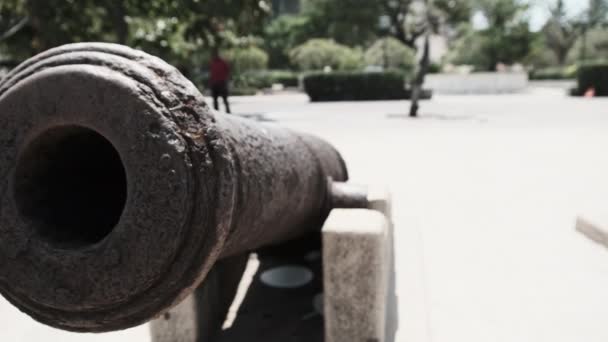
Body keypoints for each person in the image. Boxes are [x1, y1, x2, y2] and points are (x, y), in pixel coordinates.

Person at [209, 49, 231, 113]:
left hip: (222, 83)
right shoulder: (212, 63)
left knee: (225, 99)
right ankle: (216, 112)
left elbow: (227, 71)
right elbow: (211, 73)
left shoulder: (223, 62)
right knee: (215, 100)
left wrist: (226, 80)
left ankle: (228, 112)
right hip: (215, 83)